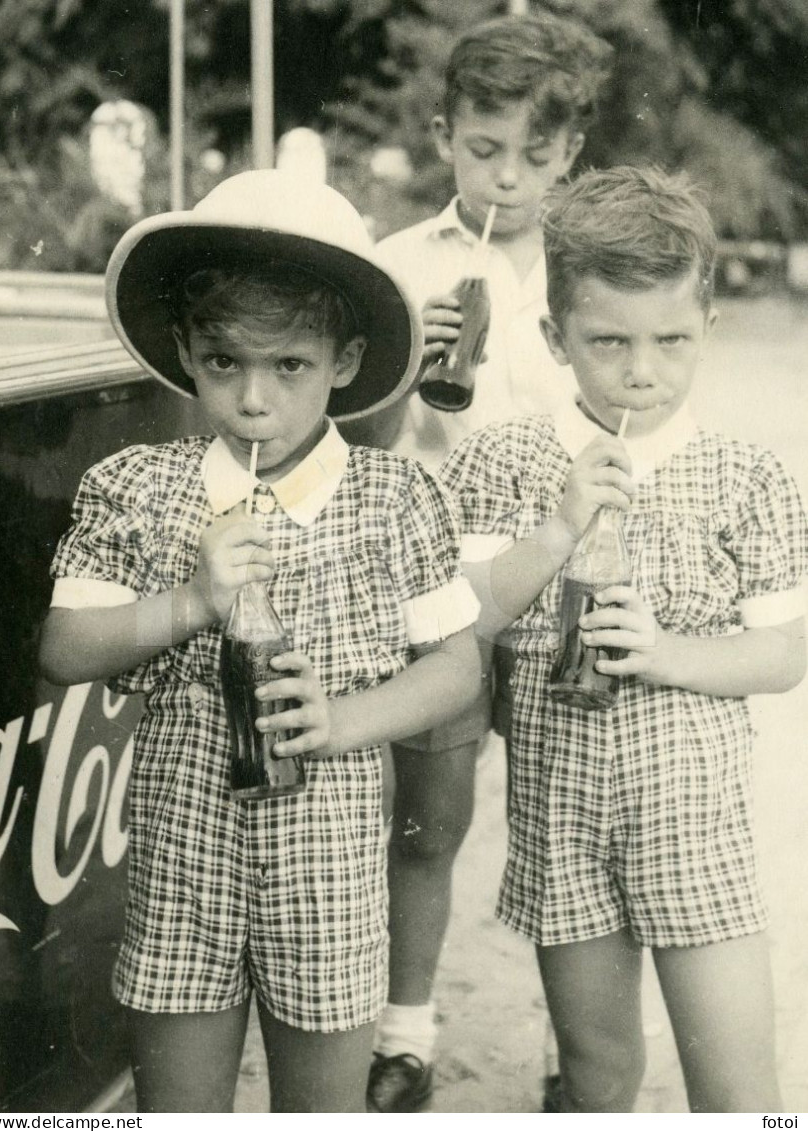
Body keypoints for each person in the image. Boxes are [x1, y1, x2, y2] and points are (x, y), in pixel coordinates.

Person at [38, 170, 482, 1114]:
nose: (251, 401)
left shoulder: (394, 498)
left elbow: (456, 668)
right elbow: (67, 648)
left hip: (327, 875)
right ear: (186, 355)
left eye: (290, 367)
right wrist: (193, 599)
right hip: (178, 871)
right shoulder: (138, 485)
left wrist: (343, 717)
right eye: (223, 362)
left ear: (347, 359)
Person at [439, 164, 808, 1112]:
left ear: (707, 331)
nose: (641, 370)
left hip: (692, 822)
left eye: (671, 341)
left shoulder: (743, 475)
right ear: (556, 338)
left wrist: (667, 651)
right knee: (598, 1068)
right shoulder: (509, 457)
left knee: (737, 1085)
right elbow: (466, 615)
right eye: (608, 341)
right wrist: (556, 529)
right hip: (561, 815)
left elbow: (781, 654)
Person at [349, 12, 612, 1113]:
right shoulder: (400, 266)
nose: (505, 175)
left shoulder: (589, 271)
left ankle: (577, 1047)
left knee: (569, 832)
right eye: (482, 148)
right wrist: (414, 370)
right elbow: (359, 441)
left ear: (571, 157)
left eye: (534, 157)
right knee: (431, 816)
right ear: (445, 135)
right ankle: (407, 1032)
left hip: (564, 581)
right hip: (443, 587)